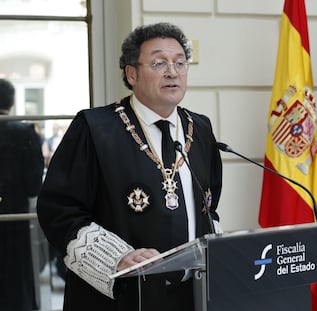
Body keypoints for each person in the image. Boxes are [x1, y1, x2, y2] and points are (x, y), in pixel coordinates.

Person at [37, 22, 222, 311]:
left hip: (191, 295)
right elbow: (60, 211)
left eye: (180, 63)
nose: (172, 72)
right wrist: (117, 259)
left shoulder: (199, 128)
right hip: (118, 297)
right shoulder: (94, 128)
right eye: (159, 62)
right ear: (132, 74)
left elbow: (209, 206)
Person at [0, 79, 44, 311]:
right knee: (16, 279)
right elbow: (33, 185)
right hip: (14, 216)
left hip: (12, 215)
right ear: (12, 101)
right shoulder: (24, 132)